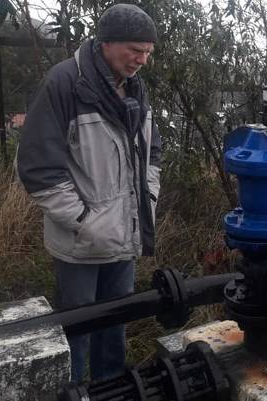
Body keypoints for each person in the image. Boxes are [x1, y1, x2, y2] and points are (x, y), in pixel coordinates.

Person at [17, 4, 161, 383]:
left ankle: (109, 389)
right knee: (77, 326)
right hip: (81, 243)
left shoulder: (136, 88)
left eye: (147, 52)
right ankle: (74, 390)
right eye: (135, 50)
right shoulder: (65, 83)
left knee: (115, 323)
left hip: (123, 235)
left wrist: (147, 197)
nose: (142, 60)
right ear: (107, 42)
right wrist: (84, 221)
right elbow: (38, 168)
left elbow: (153, 153)